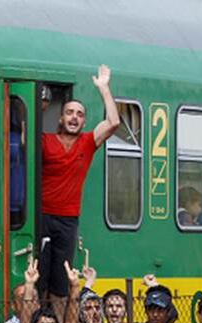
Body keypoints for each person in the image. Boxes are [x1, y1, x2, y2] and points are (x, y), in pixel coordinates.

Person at [38, 65, 120, 308]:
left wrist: (104, 88)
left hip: (68, 220)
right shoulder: (45, 141)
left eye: (80, 114)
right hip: (42, 216)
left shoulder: (87, 142)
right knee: (39, 281)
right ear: (61, 118)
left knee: (61, 285)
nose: (74, 117)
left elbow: (113, 122)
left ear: (83, 121)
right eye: (70, 112)